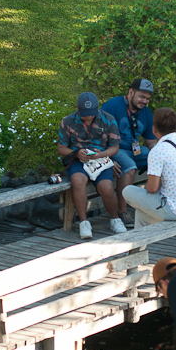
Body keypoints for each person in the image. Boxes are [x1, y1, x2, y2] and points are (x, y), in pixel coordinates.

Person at [57, 92, 127, 240]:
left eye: (91, 114)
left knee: (106, 187)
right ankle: (84, 221)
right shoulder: (68, 121)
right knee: (77, 180)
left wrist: (101, 155)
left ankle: (115, 219)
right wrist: (76, 153)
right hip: (78, 160)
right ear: (77, 108)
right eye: (85, 114)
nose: (89, 117)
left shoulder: (108, 120)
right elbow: (61, 148)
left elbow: (115, 147)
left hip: (100, 159)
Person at [122, 107, 176, 229]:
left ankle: (136, 247)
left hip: (175, 211)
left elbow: (152, 189)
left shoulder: (158, 150)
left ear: (154, 129)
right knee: (142, 215)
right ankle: (137, 248)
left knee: (127, 191)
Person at [101, 78, 156, 227]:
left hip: (135, 150)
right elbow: (97, 137)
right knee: (129, 166)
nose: (144, 101)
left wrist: (162, 154)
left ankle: (161, 205)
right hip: (115, 149)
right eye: (142, 97)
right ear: (131, 92)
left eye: (148, 99)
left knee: (160, 159)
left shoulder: (146, 113)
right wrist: (106, 159)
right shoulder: (111, 107)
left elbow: (150, 141)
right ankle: (123, 211)